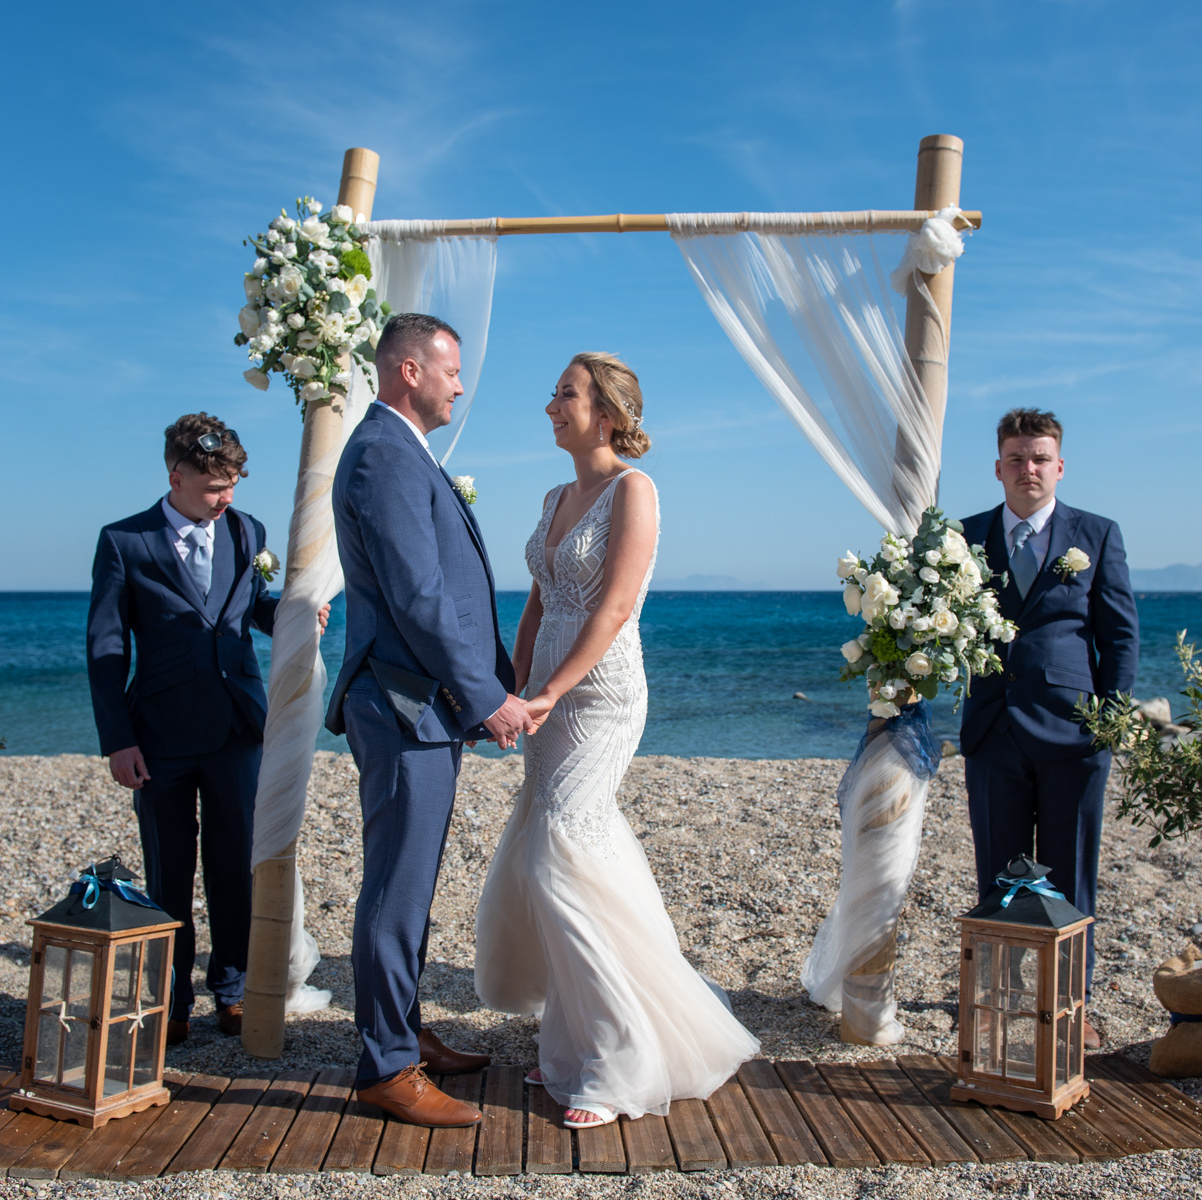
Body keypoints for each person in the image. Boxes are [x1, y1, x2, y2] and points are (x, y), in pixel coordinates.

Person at [473, 352, 759, 1127]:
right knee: (562, 856)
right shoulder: (554, 494)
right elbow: (538, 604)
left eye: (564, 394)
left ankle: (622, 1056)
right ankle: (571, 1048)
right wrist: (513, 688)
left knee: (558, 853)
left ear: (606, 413)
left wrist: (554, 691)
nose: (551, 407)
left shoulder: (635, 491)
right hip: (545, 701)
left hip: (599, 697)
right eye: (554, 392)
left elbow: (615, 608)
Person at [326, 313, 532, 1129]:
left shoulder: (402, 452)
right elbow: (417, 596)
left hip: (423, 704)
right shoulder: (382, 453)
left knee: (412, 886)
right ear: (408, 371)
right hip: (405, 704)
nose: (459, 385)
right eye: (450, 371)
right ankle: (385, 1067)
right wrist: (485, 694)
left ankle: (405, 1030)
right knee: (395, 889)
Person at [87, 416, 325, 1045]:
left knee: (233, 866)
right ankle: (169, 1004)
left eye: (235, 483)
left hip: (236, 730)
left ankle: (233, 989)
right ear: (177, 476)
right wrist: (118, 740)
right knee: (168, 873)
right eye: (216, 485)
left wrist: (299, 615)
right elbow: (106, 649)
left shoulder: (248, 531)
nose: (228, 497)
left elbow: (253, 607)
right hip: (158, 737)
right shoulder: (124, 542)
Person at [960, 408, 1139, 1047]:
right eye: (1017, 457)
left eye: (1040, 458)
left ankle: (1070, 1009)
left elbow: (1119, 636)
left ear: (1058, 466)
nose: (1028, 468)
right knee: (1000, 876)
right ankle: (1002, 1003)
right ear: (999, 466)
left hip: (1075, 733)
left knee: (1069, 871)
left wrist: (1110, 721)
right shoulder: (964, 536)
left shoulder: (1096, 533)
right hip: (991, 730)